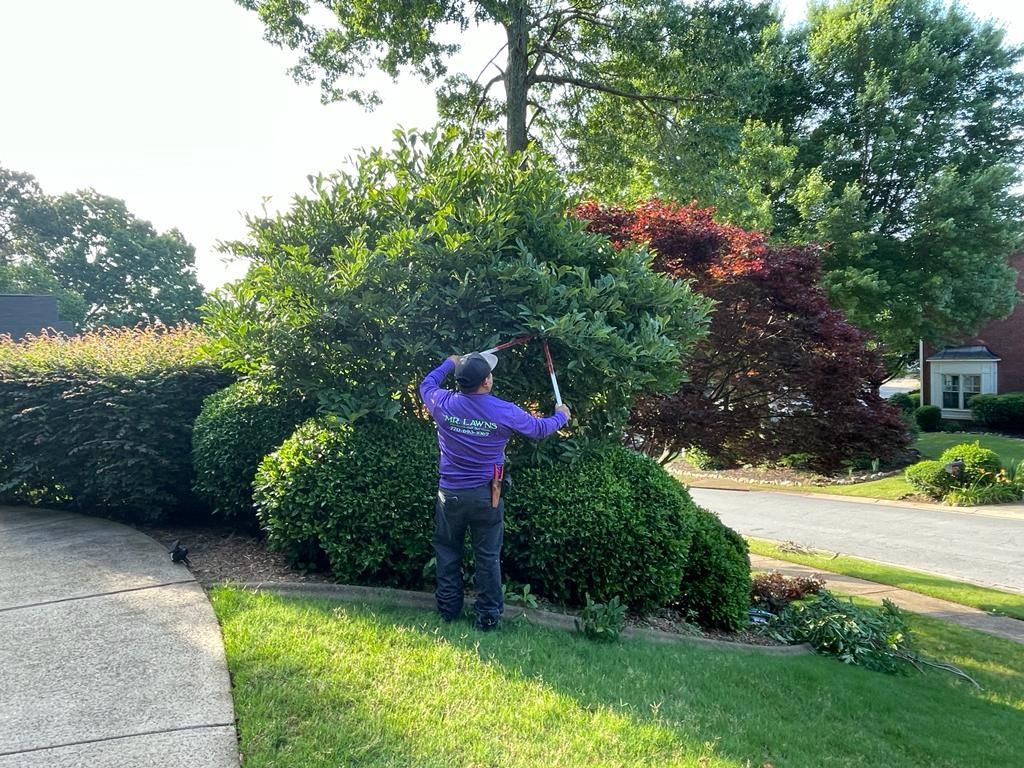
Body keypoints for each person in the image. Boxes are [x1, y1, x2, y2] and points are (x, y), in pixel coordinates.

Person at [419, 351, 570, 631]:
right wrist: (561, 417)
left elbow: (426, 384)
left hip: (449, 494)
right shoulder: (503, 410)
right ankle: (488, 617)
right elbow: (538, 429)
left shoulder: (441, 402)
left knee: (447, 550)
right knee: (487, 556)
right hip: (488, 495)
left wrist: (449, 363)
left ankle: (448, 610)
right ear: (486, 382)